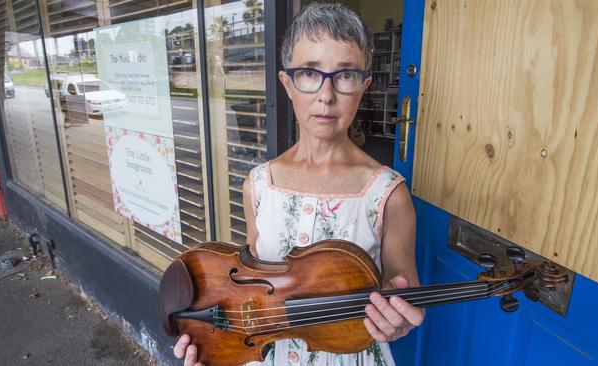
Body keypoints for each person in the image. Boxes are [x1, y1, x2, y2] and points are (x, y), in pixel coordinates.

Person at [174, 3, 424, 365]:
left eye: (345, 75)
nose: (326, 95)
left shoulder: (388, 193)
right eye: (309, 72)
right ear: (287, 83)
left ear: (364, 85)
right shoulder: (259, 184)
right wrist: (212, 342)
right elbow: (251, 287)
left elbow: (404, 290)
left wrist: (398, 321)